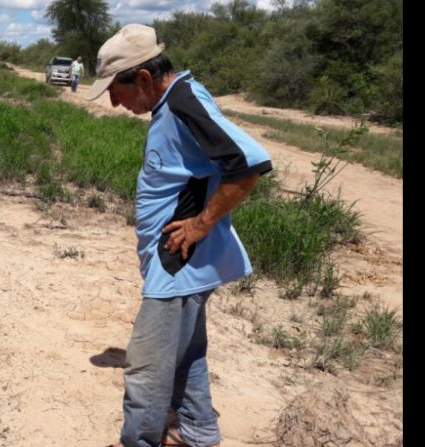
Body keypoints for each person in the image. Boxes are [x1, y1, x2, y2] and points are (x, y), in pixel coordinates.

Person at [83, 24, 272, 447]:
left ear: (144, 79)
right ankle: (198, 432)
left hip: (176, 267)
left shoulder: (183, 103)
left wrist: (201, 223)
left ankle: (142, 440)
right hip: (177, 266)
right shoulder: (174, 103)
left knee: (146, 368)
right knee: (185, 353)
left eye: (116, 89)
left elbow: (249, 163)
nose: (114, 101)